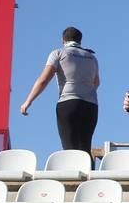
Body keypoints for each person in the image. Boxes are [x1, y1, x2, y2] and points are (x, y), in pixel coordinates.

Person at [20, 26, 99, 154]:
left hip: (68, 103)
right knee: (85, 148)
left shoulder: (58, 53)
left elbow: (43, 80)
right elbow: (96, 82)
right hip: (90, 105)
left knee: (69, 147)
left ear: (63, 40)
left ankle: (71, 173)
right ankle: (88, 172)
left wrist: (28, 101)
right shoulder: (92, 57)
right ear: (80, 40)